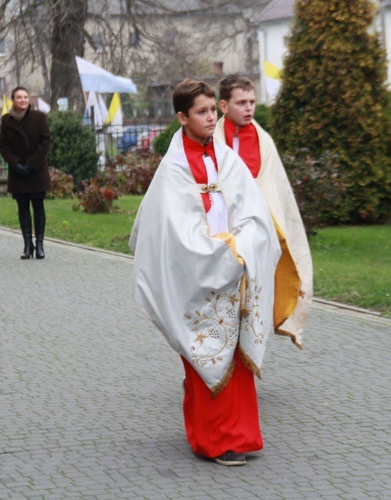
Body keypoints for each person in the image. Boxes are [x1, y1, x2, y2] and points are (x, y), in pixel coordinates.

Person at [129, 80, 281, 466]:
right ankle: (215, 440)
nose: (211, 117)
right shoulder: (174, 170)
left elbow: (253, 209)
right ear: (182, 117)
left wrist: (243, 244)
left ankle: (241, 435)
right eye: (202, 111)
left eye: (214, 109)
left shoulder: (227, 158)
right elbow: (171, 231)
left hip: (234, 268)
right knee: (206, 352)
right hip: (197, 273)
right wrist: (218, 251)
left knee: (234, 355)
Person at [215, 75, 313, 346]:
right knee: (222, 298)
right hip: (222, 232)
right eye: (241, 102)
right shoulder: (211, 139)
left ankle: (247, 355)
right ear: (224, 106)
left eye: (252, 102)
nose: (249, 108)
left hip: (257, 232)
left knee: (253, 299)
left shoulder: (263, 141)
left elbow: (274, 188)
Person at [0, 86, 51, 259]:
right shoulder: (7, 120)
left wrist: (32, 164)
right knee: (22, 208)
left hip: (36, 171)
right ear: (13, 100)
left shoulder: (39, 117)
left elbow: (45, 142)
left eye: (25, 97)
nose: (23, 100)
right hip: (18, 171)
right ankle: (28, 245)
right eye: (19, 97)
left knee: (38, 207)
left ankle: (40, 244)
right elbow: (2, 145)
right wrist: (15, 164)